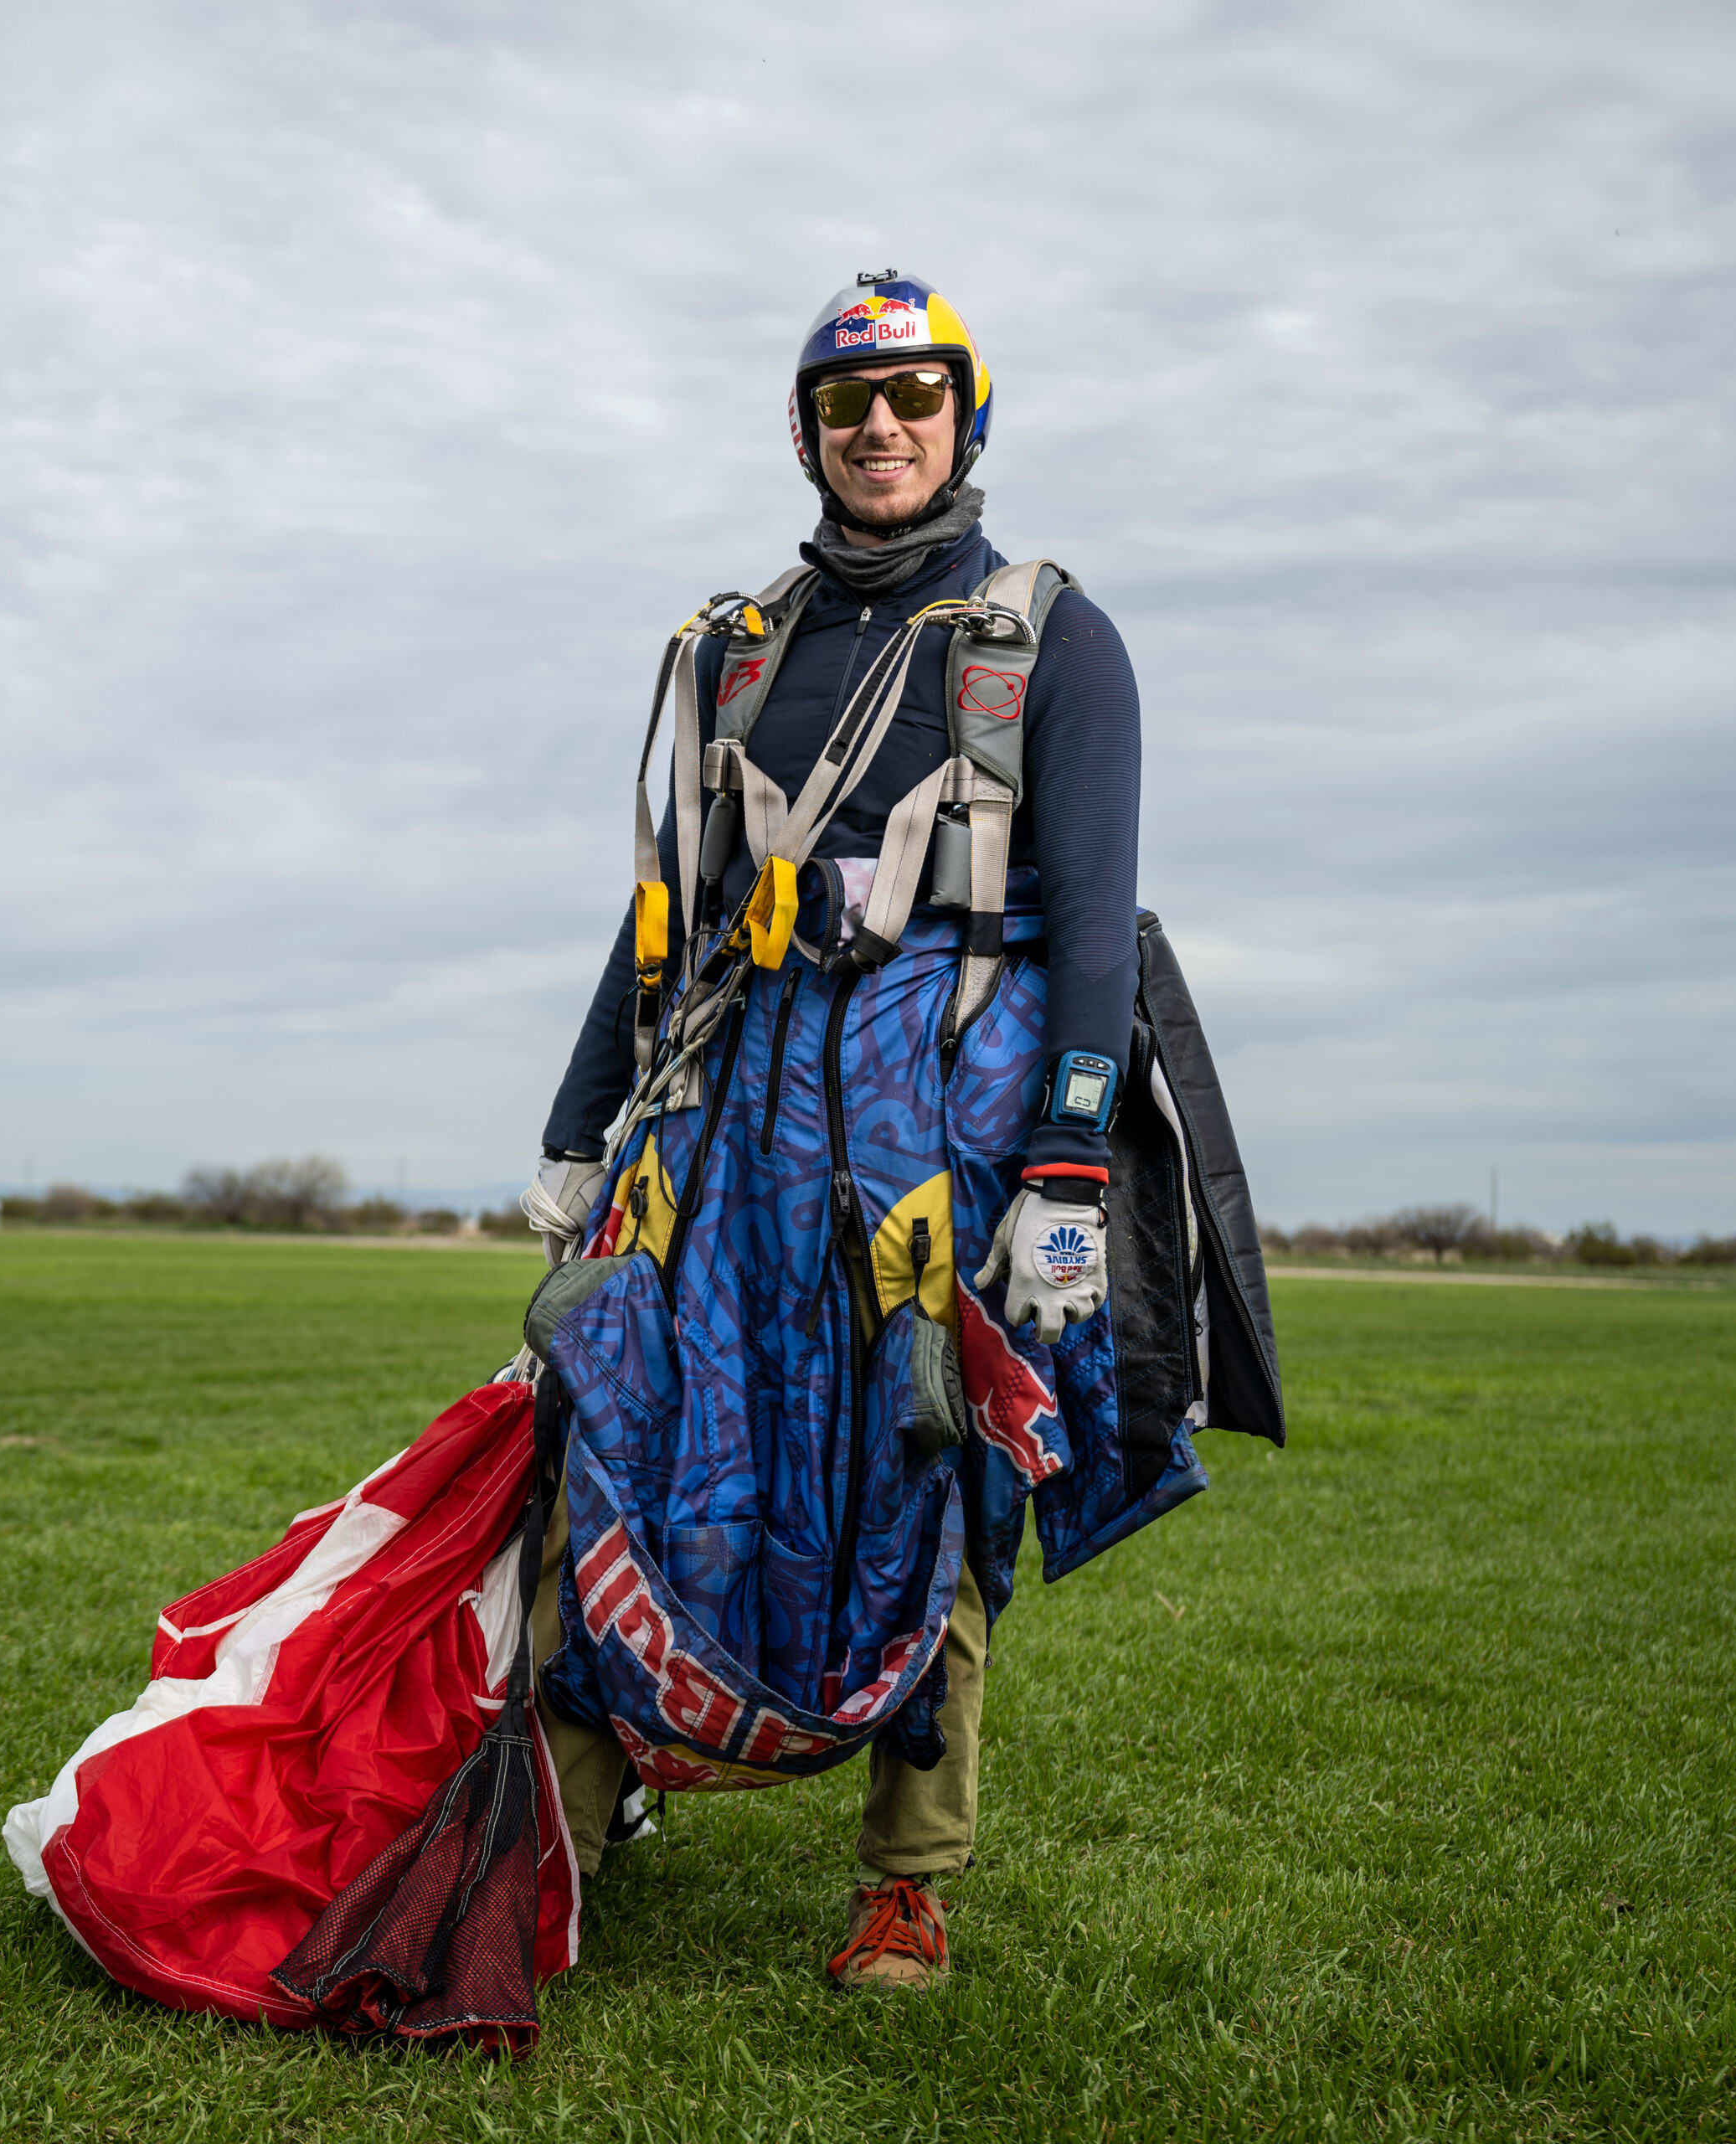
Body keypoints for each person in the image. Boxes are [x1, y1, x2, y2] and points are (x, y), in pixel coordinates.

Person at [520, 271, 1146, 1992]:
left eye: (916, 398)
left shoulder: (1048, 639)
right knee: (625, 1419)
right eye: (847, 406)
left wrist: (1073, 1167)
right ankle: (556, 1834)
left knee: (923, 1465)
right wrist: (581, 1128)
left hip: (936, 1121)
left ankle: (907, 1879)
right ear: (806, 432)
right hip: (731, 1109)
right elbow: (662, 908)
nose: (882, 429)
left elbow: (1095, 923)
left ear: (968, 418)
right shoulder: (741, 648)